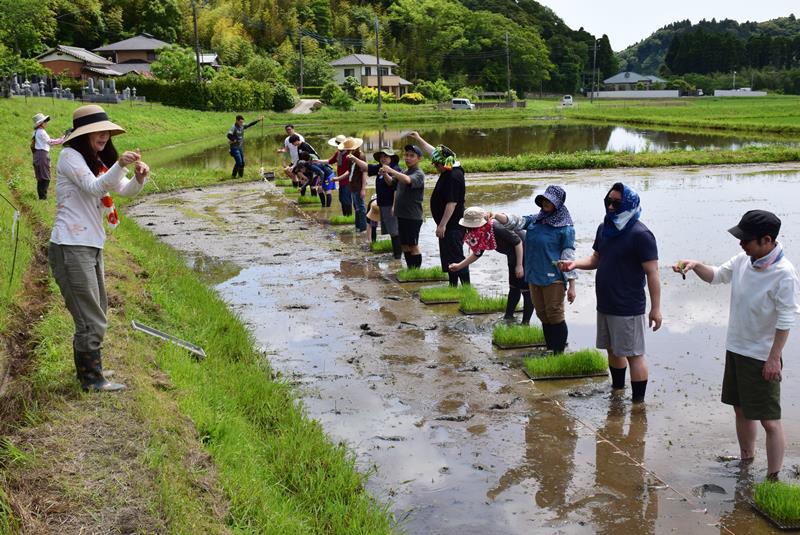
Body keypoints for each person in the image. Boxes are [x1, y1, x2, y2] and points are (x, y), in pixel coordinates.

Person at [674, 210, 799, 480]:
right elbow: (716, 275)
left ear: (767, 240)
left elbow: (787, 318)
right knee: (740, 409)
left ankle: (773, 479)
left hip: (762, 355)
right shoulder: (744, 260)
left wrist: (774, 358)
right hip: (737, 348)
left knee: (769, 419)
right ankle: (746, 458)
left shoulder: (784, 274)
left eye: (747, 240)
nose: (741, 244)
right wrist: (696, 265)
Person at [48, 104, 149, 392]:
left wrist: (140, 177)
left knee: (97, 310)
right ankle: (91, 380)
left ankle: (92, 369)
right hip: (70, 245)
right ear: (82, 135)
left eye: (106, 131)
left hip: (90, 244)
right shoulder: (70, 157)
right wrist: (121, 165)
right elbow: (95, 188)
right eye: (97, 132)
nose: (104, 136)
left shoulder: (97, 162)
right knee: (89, 316)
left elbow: (124, 189)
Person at [560, 182, 661, 402]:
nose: (611, 207)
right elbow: (596, 259)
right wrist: (573, 264)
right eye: (609, 201)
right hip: (606, 303)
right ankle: (617, 392)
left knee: (634, 355)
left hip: (628, 306)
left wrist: (656, 309)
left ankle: (638, 403)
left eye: (617, 203)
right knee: (613, 350)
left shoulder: (641, 234)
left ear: (629, 203)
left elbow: (653, 273)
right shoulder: (605, 227)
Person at [492, 186, 576, 349]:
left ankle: (558, 354)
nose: (545, 202)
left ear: (557, 204)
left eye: (550, 200)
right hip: (534, 275)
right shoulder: (536, 220)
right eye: (544, 199)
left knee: (555, 315)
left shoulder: (565, 228)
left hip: (554, 278)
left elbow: (568, 257)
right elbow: (515, 221)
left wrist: (572, 285)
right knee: (543, 314)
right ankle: (550, 348)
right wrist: (495, 215)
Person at [448, 207, 534, 325]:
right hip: (512, 255)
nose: (469, 229)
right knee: (514, 286)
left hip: (525, 253)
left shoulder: (496, 227)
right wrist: (459, 266)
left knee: (526, 289)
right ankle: (508, 317)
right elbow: (478, 253)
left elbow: (518, 242)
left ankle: (525, 323)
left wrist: (519, 265)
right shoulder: (481, 232)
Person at [409, 131, 468, 287]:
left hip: (453, 225)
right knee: (449, 257)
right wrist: (419, 138)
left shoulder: (454, 176)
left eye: (436, 164)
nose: (435, 167)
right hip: (447, 225)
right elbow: (433, 151)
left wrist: (442, 225)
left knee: (456, 256)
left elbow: (452, 203)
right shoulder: (449, 164)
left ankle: (466, 287)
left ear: (443, 163)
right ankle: (453, 286)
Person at [349, 148, 402, 259]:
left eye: (386, 156)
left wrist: (394, 206)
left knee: (394, 230)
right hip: (382, 204)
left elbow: (394, 187)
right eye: (381, 157)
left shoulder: (395, 169)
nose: (383, 159)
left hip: (390, 204)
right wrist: (354, 159)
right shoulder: (379, 168)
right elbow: (366, 167)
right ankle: (395, 254)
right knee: (391, 229)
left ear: (391, 158)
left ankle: (398, 256)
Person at [382, 144, 426, 268]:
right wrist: (385, 174)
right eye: (406, 155)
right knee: (404, 244)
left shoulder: (418, 173)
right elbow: (391, 183)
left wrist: (392, 170)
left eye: (412, 156)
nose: (408, 158)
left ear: (419, 158)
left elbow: (407, 180)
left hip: (413, 216)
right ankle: (410, 269)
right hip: (401, 214)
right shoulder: (404, 171)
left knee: (413, 245)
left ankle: (416, 271)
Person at [31, 113, 65, 200]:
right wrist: (62, 139)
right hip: (42, 155)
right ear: (41, 123)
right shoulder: (41, 132)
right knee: (46, 177)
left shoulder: (35, 132)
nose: (46, 122)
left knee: (40, 177)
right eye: (45, 121)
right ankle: (43, 198)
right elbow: (51, 142)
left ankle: (41, 198)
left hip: (37, 155)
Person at [319, 134, 352, 216]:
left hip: (347, 180)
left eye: (338, 144)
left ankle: (349, 216)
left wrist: (338, 178)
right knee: (341, 199)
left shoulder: (349, 154)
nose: (337, 146)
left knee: (346, 199)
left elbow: (350, 170)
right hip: (341, 180)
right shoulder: (338, 153)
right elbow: (329, 161)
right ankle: (345, 216)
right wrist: (318, 161)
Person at [340, 137, 367, 232]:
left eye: (348, 150)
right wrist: (338, 178)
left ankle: (363, 229)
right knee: (357, 207)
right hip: (353, 185)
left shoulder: (360, 156)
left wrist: (363, 188)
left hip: (358, 185)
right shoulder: (351, 157)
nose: (347, 152)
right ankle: (358, 227)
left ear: (354, 148)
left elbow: (364, 172)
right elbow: (349, 171)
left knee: (361, 207)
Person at [226, 114, 264, 179]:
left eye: (242, 122)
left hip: (240, 147)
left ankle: (240, 176)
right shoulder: (234, 127)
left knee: (242, 163)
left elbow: (250, 124)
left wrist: (258, 120)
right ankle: (233, 175)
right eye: (240, 122)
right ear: (237, 121)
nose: (242, 123)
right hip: (234, 148)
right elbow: (228, 135)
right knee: (239, 162)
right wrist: (234, 140)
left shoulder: (242, 126)